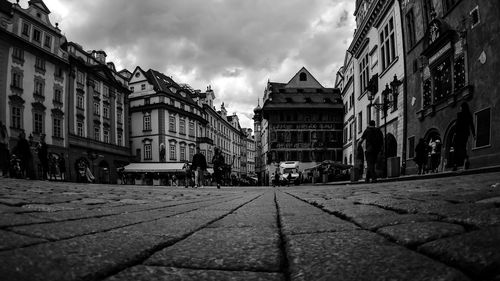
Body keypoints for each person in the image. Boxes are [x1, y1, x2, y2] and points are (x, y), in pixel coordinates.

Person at [453, 102, 475, 170]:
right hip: (465, 134)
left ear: (462, 108)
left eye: (460, 107)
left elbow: (457, 125)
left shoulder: (460, 115)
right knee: (462, 147)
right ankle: (465, 158)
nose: (460, 108)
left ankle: (455, 165)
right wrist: (474, 134)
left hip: (459, 134)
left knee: (456, 149)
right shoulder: (469, 115)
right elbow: (472, 125)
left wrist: (455, 133)